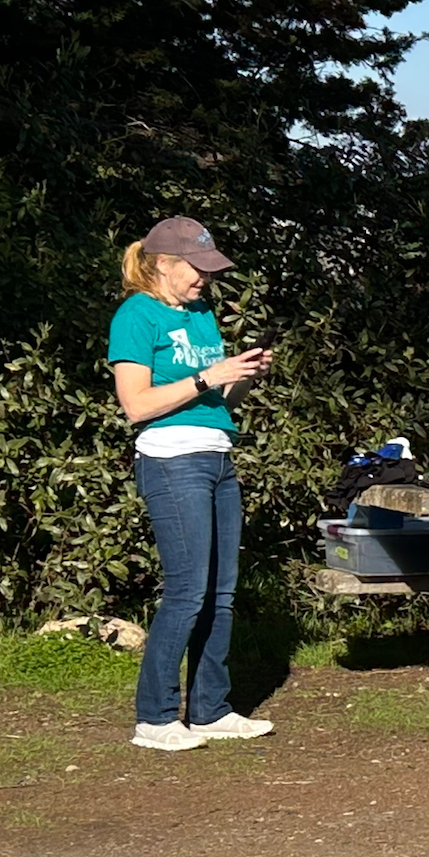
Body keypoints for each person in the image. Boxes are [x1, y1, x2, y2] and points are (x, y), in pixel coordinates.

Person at [105, 216, 275, 751]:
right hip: (172, 460)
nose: (205, 279)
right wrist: (209, 375)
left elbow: (214, 404)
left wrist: (240, 377)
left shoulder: (201, 313)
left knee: (221, 594)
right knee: (186, 591)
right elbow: (137, 405)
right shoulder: (136, 315)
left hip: (218, 456)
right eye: (196, 268)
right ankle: (153, 719)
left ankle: (209, 710)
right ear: (162, 264)